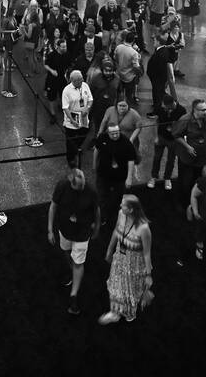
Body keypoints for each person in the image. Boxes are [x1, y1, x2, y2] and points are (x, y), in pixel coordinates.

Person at [48, 167, 100, 316]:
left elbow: (96, 210)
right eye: (80, 186)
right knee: (66, 251)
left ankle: (74, 296)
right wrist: (50, 229)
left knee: (78, 263)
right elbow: (53, 206)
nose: (83, 187)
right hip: (65, 230)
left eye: (83, 183)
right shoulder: (62, 186)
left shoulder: (90, 191)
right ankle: (72, 272)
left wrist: (96, 227)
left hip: (83, 233)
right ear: (71, 182)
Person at [100, 194, 153, 325]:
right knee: (117, 284)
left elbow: (147, 253)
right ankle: (115, 313)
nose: (120, 206)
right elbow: (116, 231)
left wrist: (148, 274)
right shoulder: (121, 214)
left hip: (134, 264)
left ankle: (128, 312)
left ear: (131, 209)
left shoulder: (144, 228)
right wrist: (109, 249)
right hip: (119, 257)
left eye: (123, 204)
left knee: (130, 289)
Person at [171, 100, 206, 205]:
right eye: (203, 110)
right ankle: (183, 201)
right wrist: (187, 147)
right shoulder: (185, 120)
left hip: (203, 157)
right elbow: (176, 135)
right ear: (195, 110)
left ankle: (195, 198)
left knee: (199, 180)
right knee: (184, 181)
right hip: (187, 158)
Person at [93, 123, 139, 228]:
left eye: (117, 133)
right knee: (101, 197)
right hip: (103, 175)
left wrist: (129, 178)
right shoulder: (102, 138)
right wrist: (94, 164)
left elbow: (131, 160)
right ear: (108, 132)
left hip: (120, 176)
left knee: (118, 198)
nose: (115, 135)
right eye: (112, 133)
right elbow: (96, 150)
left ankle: (117, 218)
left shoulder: (126, 142)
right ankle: (102, 217)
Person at [148, 95, 183, 190]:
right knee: (157, 157)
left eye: (165, 106)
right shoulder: (160, 108)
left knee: (171, 160)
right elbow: (156, 121)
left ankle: (167, 178)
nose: (163, 107)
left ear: (171, 104)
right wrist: (156, 136)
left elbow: (183, 126)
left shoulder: (181, 110)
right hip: (161, 137)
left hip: (174, 140)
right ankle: (154, 177)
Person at [60, 70, 93, 167]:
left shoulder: (85, 85)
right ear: (73, 81)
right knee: (70, 140)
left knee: (83, 134)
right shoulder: (66, 91)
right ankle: (71, 158)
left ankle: (77, 148)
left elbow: (90, 99)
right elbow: (65, 108)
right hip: (72, 119)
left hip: (83, 117)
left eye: (82, 78)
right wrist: (72, 120)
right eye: (79, 80)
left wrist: (87, 109)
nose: (82, 80)